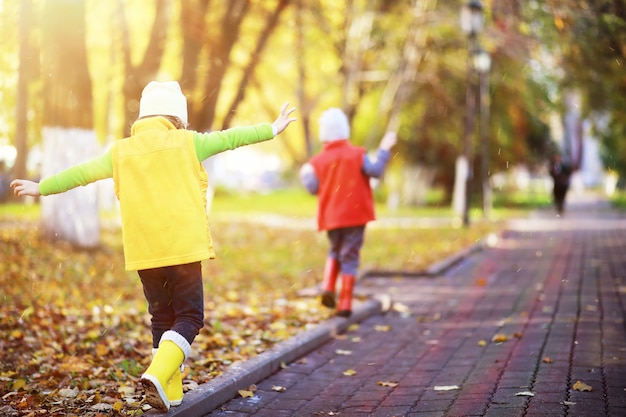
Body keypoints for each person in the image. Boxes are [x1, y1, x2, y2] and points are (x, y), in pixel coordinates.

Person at [11, 80, 296, 412]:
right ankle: (158, 375)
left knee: (161, 317)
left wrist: (41, 187)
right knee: (190, 317)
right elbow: (232, 138)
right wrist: (272, 129)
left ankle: (170, 394)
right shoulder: (189, 142)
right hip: (184, 249)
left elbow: (82, 173)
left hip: (145, 253)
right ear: (177, 115)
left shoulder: (120, 151)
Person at [299, 107, 396, 317]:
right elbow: (376, 171)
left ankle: (327, 286)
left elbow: (312, 187)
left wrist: (305, 173)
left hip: (332, 216)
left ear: (323, 133)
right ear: (345, 130)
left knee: (335, 250)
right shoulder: (358, 154)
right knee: (350, 256)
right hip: (355, 215)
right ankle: (345, 304)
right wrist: (384, 149)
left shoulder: (317, 162)